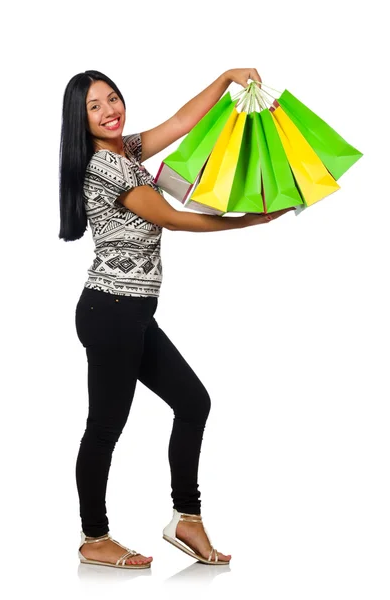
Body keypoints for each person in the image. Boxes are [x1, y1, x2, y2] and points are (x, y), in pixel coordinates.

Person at [58, 68, 294, 570]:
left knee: (193, 402)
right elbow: (170, 217)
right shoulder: (106, 166)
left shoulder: (129, 150)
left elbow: (186, 119)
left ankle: (187, 518)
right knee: (105, 427)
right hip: (111, 312)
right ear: (80, 122)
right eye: (94, 107)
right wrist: (249, 219)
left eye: (113, 98)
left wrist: (228, 77)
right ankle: (93, 536)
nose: (109, 111)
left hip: (133, 314)